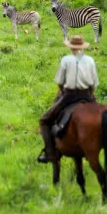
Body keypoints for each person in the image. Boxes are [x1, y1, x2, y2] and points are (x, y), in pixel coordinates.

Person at [38, 35, 99, 164]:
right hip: (88, 95)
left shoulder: (66, 60)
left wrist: (62, 91)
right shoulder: (90, 60)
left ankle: (49, 153)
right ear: (82, 47)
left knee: (44, 120)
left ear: (71, 47)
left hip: (69, 95)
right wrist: (91, 96)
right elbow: (94, 83)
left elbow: (60, 82)